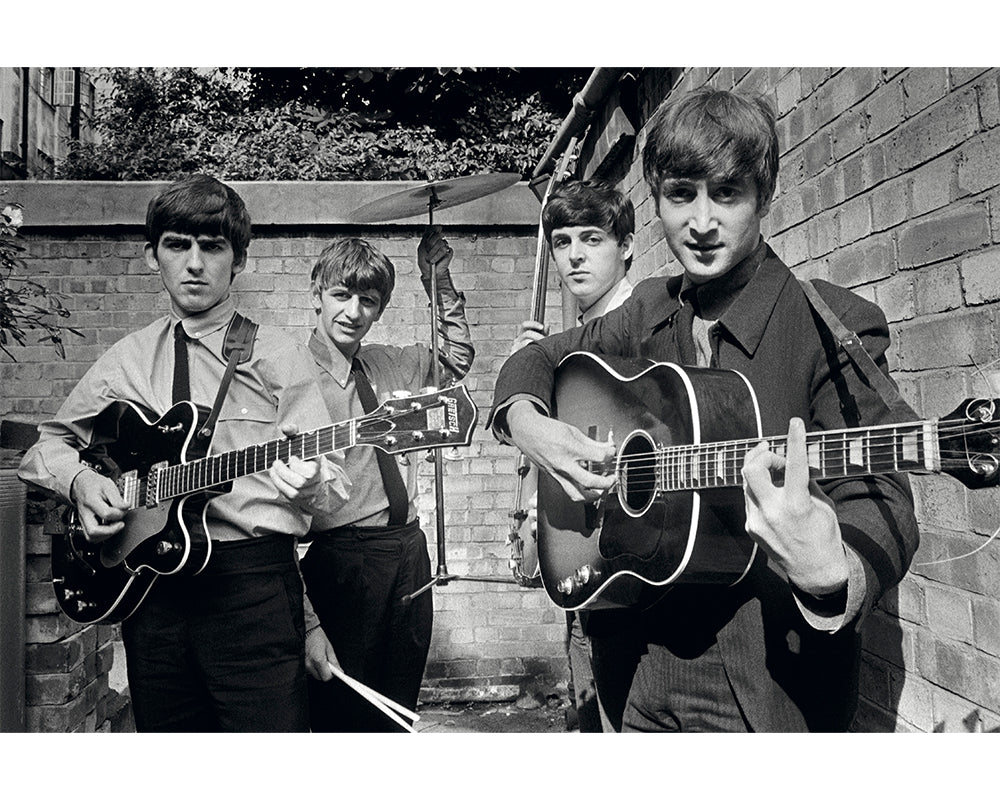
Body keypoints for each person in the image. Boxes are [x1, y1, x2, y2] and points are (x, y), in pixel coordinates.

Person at [489, 88, 920, 732]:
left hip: (770, 682)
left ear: (764, 198)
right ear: (657, 199)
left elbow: (881, 490)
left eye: (728, 194)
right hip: (633, 668)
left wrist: (835, 571)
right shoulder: (645, 313)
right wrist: (530, 426)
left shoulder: (832, 323)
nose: (702, 222)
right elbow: (541, 360)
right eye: (681, 194)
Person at [18, 174, 350, 732]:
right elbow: (47, 444)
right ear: (153, 256)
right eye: (177, 245)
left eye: (212, 247)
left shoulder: (278, 356)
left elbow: (333, 479)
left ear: (237, 259)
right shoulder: (126, 359)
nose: (194, 263)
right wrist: (80, 484)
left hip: (253, 592)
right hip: (152, 593)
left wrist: (312, 480)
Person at [299, 232, 474, 732]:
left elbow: (456, 359)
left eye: (368, 301)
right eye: (341, 295)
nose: (353, 311)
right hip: (343, 560)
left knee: (398, 708)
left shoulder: (389, 362)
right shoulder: (287, 376)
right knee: (344, 714)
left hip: (408, 552)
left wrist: (436, 278)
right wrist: (309, 622)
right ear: (316, 294)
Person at [510, 178, 639, 732]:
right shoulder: (570, 344)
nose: (575, 256)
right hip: (584, 566)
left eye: (592, 238)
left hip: (632, 577)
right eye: (562, 242)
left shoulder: (646, 329)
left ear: (627, 245)